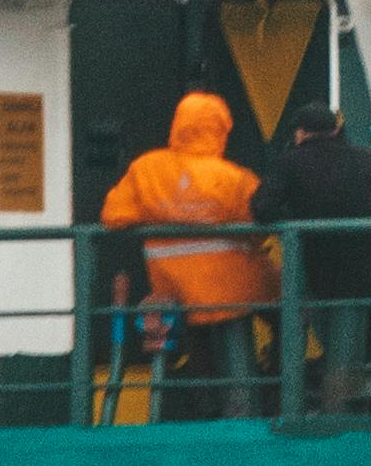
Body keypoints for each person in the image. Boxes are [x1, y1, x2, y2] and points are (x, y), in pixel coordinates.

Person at [99, 91, 276, 417]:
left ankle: (203, 420)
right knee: (238, 364)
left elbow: (114, 216)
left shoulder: (147, 169)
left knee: (199, 361)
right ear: (219, 130)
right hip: (229, 293)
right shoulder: (234, 179)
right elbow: (259, 227)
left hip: (175, 292)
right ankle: (243, 423)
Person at [254, 105, 371, 406]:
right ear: (335, 130)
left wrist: (297, 226)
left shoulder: (289, 164)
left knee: (338, 346)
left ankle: (338, 408)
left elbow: (262, 209)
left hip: (327, 275)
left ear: (300, 132)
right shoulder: (364, 159)